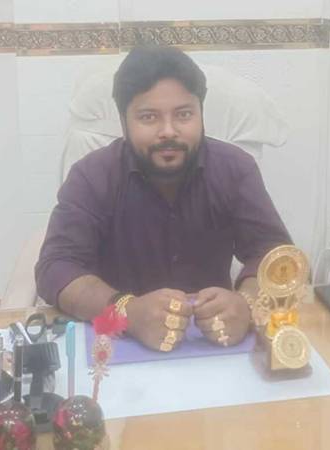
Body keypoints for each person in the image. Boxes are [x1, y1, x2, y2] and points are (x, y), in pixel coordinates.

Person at [35, 46, 292, 352]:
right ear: (124, 122)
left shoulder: (235, 169)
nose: (168, 131)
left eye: (184, 114)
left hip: (212, 343)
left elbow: (277, 256)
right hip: (117, 344)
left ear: (201, 114)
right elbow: (57, 267)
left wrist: (247, 304)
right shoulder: (92, 176)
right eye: (148, 117)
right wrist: (127, 312)